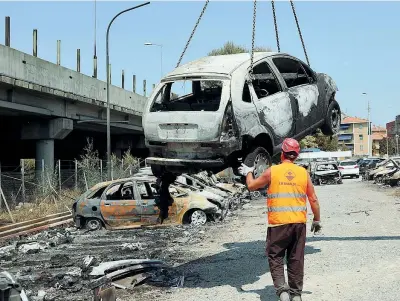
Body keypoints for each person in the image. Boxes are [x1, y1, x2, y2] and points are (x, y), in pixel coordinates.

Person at [238, 138, 321, 301]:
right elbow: (313, 199)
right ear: (296, 156)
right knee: (296, 259)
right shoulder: (303, 173)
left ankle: (283, 291)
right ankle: (296, 295)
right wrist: (317, 219)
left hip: (278, 225)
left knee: (275, 257)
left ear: (282, 153)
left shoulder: (272, 171)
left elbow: (252, 186)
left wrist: (247, 171)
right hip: (298, 224)